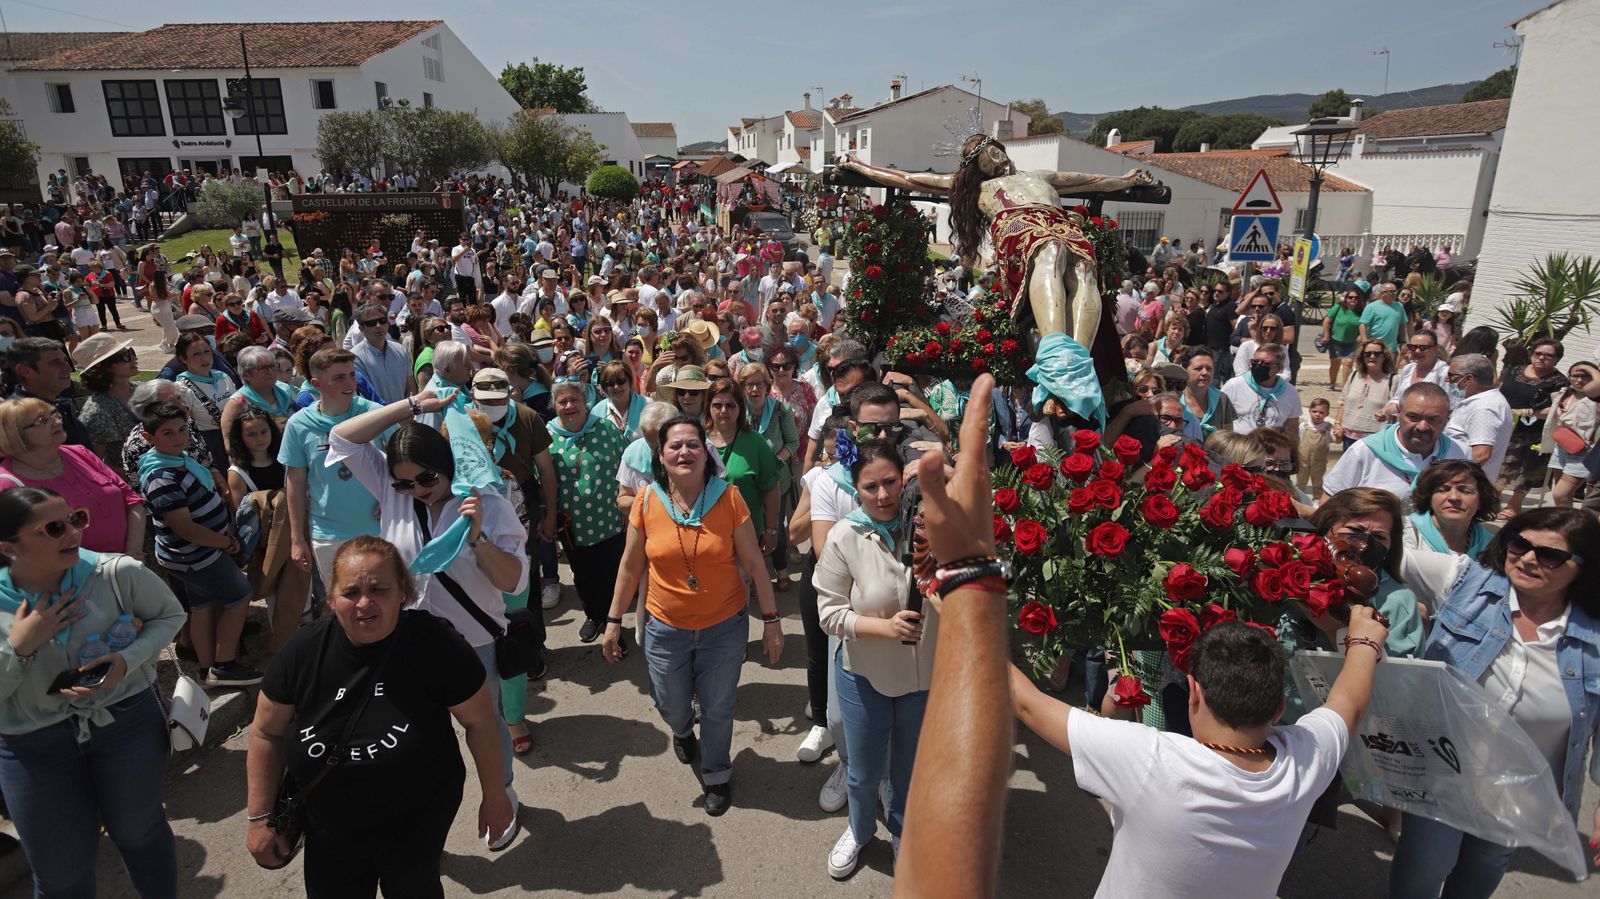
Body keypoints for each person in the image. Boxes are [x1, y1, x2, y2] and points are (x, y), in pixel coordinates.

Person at [1009, 603, 1389, 897]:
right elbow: (1349, 702)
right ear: (1278, 709)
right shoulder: (1306, 759)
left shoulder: (1154, 761)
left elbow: (1026, 703)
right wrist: (1364, 641)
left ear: (1192, 692)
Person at [245, 537, 515, 891]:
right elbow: (266, 732)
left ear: (403, 592)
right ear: (331, 598)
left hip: (415, 822)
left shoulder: (436, 646)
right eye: (351, 591)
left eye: (378, 589)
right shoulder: (303, 651)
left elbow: (480, 723)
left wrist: (495, 797)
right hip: (328, 826)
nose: (364, 603)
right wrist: (259, 818)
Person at [326, 387, 527, 830]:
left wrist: (476, 538)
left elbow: (515, 580)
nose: (415, 490)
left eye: (426, 479)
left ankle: (501, 793)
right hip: (406, 640)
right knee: (414, 732)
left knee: (486, 726)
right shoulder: (391, 489)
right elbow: (342, 438)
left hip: (472, 641)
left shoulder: (485, 500)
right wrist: (416, 405)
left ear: (447, 465)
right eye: (404, 482)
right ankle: (423, 816)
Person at [1391, 508, 1600, 897]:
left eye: (1550, 554)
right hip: (1443, 766)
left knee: (1484, 865)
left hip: (1519, 788)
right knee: (1426, 862)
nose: (1528, 558)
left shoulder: (1594, 635)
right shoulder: (1465, 581)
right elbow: (1384, 547)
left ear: (1585, 568)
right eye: (1520, 544)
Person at [0, 486, 186, 898]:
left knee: (141, 833)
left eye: (75, 519)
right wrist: (20, 647)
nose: (72, 533)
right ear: (7, 546)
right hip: (32, 747)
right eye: (52, 527)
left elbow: (170, 615)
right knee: (61, 874)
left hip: (127, 724)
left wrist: (128, 659)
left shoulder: (115, 572)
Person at [598, 416, 785, 816]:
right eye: (674, 446)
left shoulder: (729, 498)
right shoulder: (647, 501)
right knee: (671, 704)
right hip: (665, 628)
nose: (684, 452)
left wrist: (771, 621)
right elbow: (630, 568)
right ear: (661, 457)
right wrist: (613, 622)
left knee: (718, 707)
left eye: (693, 445)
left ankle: (717, 773)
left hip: (724, 627)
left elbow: (754, 564)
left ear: (706, 453)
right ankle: (682, 730)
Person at [814, 439, 938, 878]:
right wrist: (886, 628)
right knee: (864, 773)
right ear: (856, 488)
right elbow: (829, 612)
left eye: (890, 482)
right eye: (871, 487)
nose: (883, 496)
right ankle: (861, 829)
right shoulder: (845, 536)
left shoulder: (930, 524)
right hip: (864, 673)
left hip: (923, 681)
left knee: (908, 769)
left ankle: (901, 830)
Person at [279, 348, 385, 594]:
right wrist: (297, 539)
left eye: (352, 375)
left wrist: (395, 491)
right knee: (342, 601)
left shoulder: (372, 412)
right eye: (339, 378)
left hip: (378, 529)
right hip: (328, 534)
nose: (350, 383)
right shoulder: (298, 424)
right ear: (316, 384)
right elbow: (295, 483)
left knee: (385, 599)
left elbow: (405, 454)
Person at [0, 397, 145, 556]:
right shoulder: (8, 486)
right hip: (74, 576)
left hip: (125, 564)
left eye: (54, 415)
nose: (56, 422)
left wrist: (133, 551)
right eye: (43, 420)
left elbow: (131, 500)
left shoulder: (80, 453)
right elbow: (22, 552)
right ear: (14, 434)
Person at [547, 378, 630, 643]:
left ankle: (613, 624)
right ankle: (594, 616)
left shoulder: (606, 429)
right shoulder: (547, 437)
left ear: (586, 403)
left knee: (610, 573)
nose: (569, 406)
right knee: (582, 575)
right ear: (555, 405)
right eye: (563, 401)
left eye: (575, 400)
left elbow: (626, 469)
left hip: (609, 520)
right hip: (572, 525)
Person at [1323, 383, 1464, 505]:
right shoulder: (1365, 451)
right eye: (1413, 417)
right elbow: (1329, 503)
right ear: (1398, 414)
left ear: (1447, 419)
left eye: (1433, 419)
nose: (1422, 426)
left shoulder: (1460, 454)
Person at [703, 379, 782, 575]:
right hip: (704, 532)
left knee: (739, 594)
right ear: (708, 408)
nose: (723, 410)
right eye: (717, 405)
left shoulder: (755, 442)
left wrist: (771, 531)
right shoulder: (696, 439)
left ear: (740, 407)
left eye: (730, 405)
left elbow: (771, 488)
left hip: (744, 533)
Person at [1497, 337, 1570, 519]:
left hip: (1532, 433)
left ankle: (1515, 505)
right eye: (1538, 353)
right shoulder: (1516, 370)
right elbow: (1500, 389)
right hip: (1504, 424)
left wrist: (1530, 412)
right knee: (1499, 465)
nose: (1541, 358)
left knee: (1526, 470)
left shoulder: (1558, 381)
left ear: (1557, 359)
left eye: (1548, 355)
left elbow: (1558, 408)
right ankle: (1492, 501)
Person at [71, 334, 142, 475]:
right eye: (125, 356)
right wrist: (136, 479)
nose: (134, 358)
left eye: (131, 352)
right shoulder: (98, 411)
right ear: (103, 367)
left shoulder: (142, 390)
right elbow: (94, 463)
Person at [6, 337, 92, 449]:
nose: (68, 369)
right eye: (55, 363)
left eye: (65, 360)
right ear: (25, 371)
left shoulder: (58, 403)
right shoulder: (16, 419)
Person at [1403, 459, 1498, 557]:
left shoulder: (1493, 548)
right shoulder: (1404, 533)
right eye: (1443, 490)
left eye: (1465, 491)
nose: (1453, 497)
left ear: (1481, 501)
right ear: (1429, 498)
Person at [1444, 353, 1515, 483]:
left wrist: (1444, 472)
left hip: (1463, 484)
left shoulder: (1484, 408)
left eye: (1451, 375)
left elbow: (1481, 454)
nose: (1446, 380)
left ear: (1468, 379)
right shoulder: (1479, 402)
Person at [1221, 342, 1301, 455]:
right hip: (1239, 453)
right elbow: (1219, 421)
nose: (1258, 366)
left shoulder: (1290, 392)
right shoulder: (1234, 385)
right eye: (1255, 362)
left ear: (1279, 368)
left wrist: (1292, 455)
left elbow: (1292, 428)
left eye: (1265, 363)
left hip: (1272, 456)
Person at [173, 331, 238, 468]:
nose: (204, 358)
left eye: (207, 352)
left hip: (235, 436)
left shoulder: (223, 377)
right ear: (183, 358)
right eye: (196, 354)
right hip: (211, 444)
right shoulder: (182, 388)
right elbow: (185, 425)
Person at [1542, 361, 1599, 508]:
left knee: (1561, 493)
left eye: (1585, 376)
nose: (1579, 380)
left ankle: (1570, 525)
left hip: (1582, 450)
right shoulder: (1562, 393)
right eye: (1576, 376)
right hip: (1561, 445)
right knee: (1560, 494)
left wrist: (1591, 370)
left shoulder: (1595, 399)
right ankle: (1564, 522)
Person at [1332, 339, 1396, 449]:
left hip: (1376, 439)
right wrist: (1337, 424)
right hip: (1349, 437)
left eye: (1377, 354)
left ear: (1384, 356)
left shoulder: (1393, 380)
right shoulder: (1354, 375)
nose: (1372, 357)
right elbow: (1343, 402)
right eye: (1367, 354)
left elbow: (1397, 409)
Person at [351, 304, 414, 406]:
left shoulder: (400, 349)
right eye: (371, 323)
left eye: (382, 321)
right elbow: (366, 398)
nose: (378, 325)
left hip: (406, 415)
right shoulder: (355, 358)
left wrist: (407, 412)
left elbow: (411, 386)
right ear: (361, 328)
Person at [1176, 347, 1236, 439]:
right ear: (1185, 371)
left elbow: (1228, 439)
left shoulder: (1222, 400)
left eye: (1209, 369)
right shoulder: (1175, 400)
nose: (1205, 373)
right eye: (1198, 368)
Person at [1320, 288, 1364, 388]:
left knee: (1348, 363)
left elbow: (1364, 325)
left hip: (1352, 342)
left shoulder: (1362, 312)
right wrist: (1326, 335)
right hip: (1336, 341)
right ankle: (1332, 382)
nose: (1353, 299)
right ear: (1346, 299)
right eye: (1350, 297)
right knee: (1335, 364)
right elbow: (1327, 321)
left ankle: (1346, 387)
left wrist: (1361, 336)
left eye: (1356, 298)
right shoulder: (1338, 308)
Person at [593, 360, 646, 441]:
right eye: (610, 383)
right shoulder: (596, 412)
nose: (616, 387)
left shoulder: (648, 405)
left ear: (630, 381)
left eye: (621, 381)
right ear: (604, 387)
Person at [1296, 397, 1333, 499]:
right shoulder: (1303, 426)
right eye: (1314, 411)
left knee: (1317, 482)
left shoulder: (1328, 427)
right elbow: (1297, 440)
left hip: (1319, 461)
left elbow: (1335, 439)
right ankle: (1300, 498)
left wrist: (1338, 434)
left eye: (1321, 412)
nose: (1317, 414)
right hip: (1303, 460)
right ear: (1309, 411)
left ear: (1327, 414)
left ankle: (1317, 499)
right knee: (1301, 481)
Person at [1358, 282, 1408, 353]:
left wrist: (1403, 342)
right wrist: (1364, 342)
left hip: (1391, 349)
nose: (1395, 293)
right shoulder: (1371, 307)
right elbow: (1363, 324)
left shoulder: (1399, 306)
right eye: (1392, 291)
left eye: (1395, 291)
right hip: (1374, 347)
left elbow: (1402, 325)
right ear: (1383, 293)